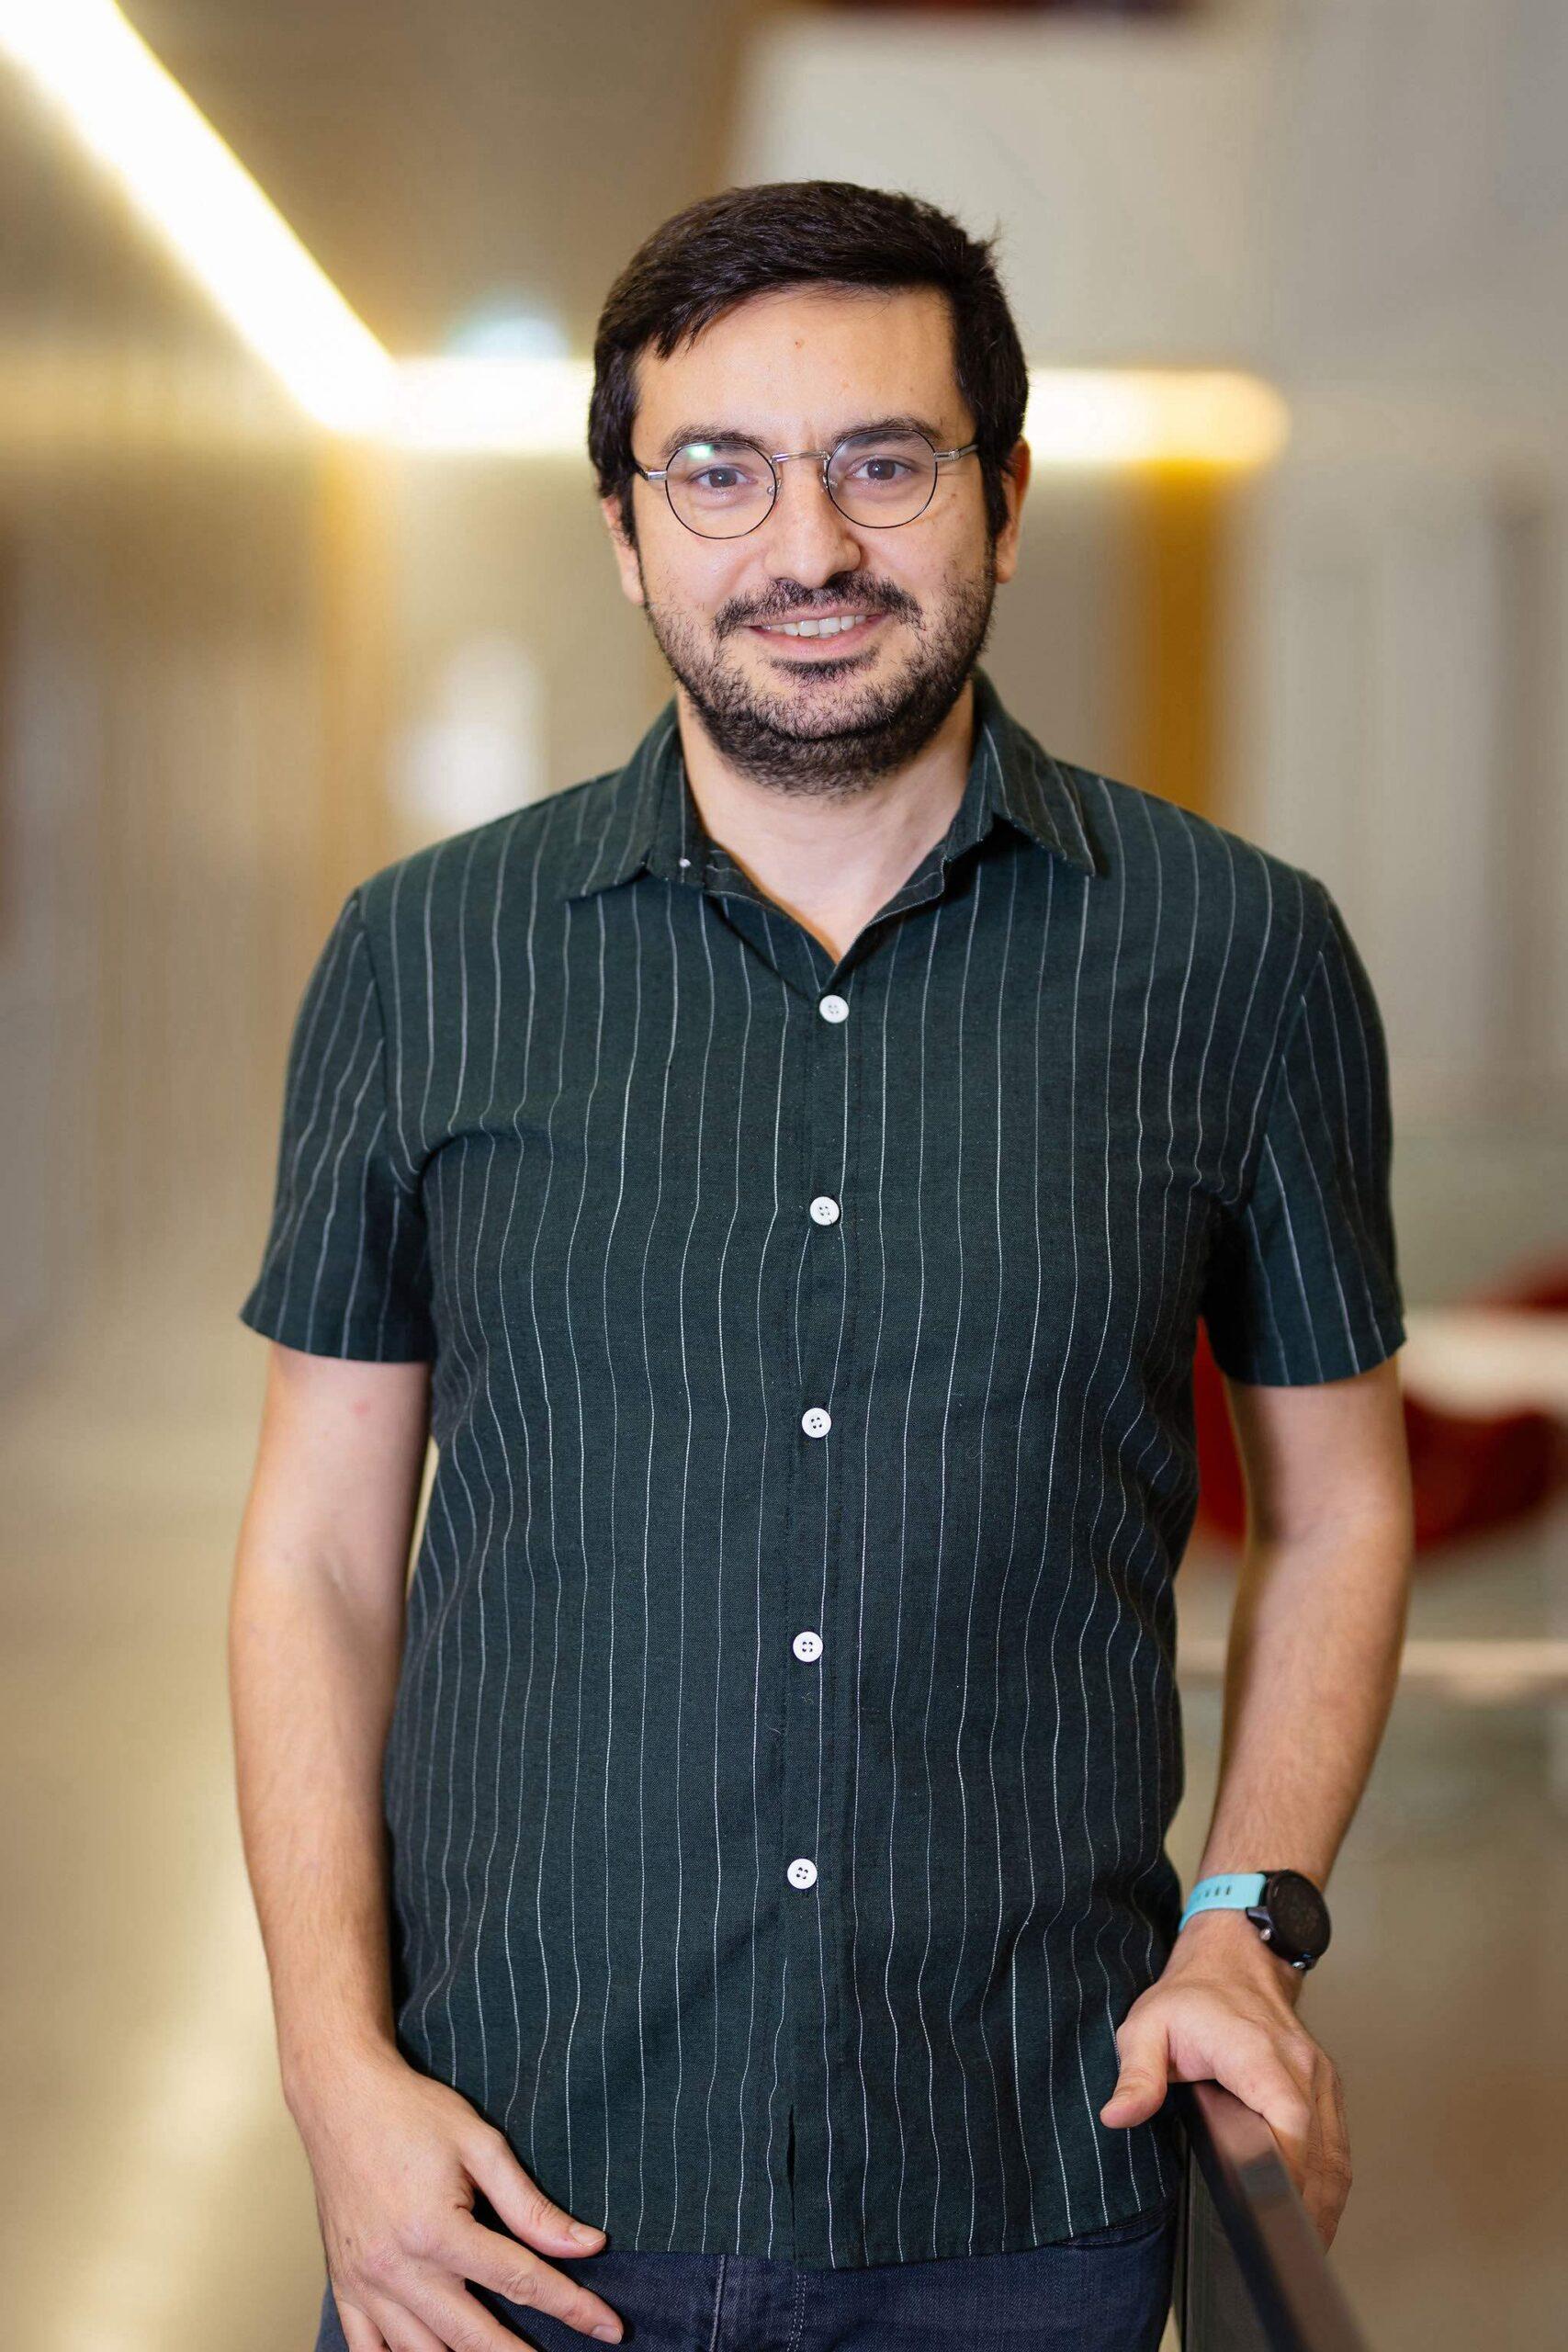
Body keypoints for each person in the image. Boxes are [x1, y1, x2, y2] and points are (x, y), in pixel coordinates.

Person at [230, 180, 1415, 2352]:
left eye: (883, 463)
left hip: (1026, 2184)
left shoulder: (1234, 956)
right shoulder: (424, 957)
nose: (807, 546)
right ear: (625, 526)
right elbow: (315, 1549)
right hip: (501, 2188)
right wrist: (332, 2071)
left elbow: (1337, 1505)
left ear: (1003, 497)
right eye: (719, 471)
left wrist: (1244, 1921)